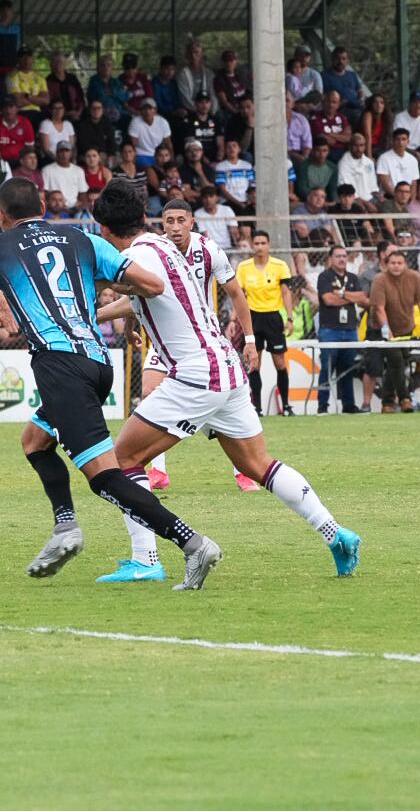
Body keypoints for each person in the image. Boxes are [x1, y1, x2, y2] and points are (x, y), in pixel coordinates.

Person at [0, 177, 221, 588]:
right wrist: (109, 292)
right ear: (42, 204)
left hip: (60, 368)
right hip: (98, 363)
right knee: (34, 442)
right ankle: (65, 527)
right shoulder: (81, 238)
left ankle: (192, 543)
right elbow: (152, 285)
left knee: (105, 476)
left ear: (1, 215)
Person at [91, 180, 359, 581]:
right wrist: (106, 314)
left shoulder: (138, 255)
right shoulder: (163, 247)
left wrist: (99, 285)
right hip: (225, 367)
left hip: (194, 373)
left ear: (105, 230)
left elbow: (149, 286)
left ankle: (145, 560)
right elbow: (149, 294)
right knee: (257, 465)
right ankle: (336, 533)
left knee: (122, 461)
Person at [115, 200, 257, 494]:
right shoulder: (154, 252)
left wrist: (250, 340)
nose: (175, 227)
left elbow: (236, 294)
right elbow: (136, 294)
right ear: (162, 224)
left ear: (192, 222)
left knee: (221, 412)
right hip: (167, 340)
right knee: (149, 393)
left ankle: (244, 471)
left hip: (203, 342)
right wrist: (130, 327)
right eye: (169, 221)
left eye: (181, 220)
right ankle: (158, 472)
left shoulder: (209, 250)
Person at [237, 230, 295, 416]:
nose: (260, 247)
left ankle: (286, 406)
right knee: (255, 363)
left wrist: (290, 317)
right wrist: (233, 319)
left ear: (269, 245)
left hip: (273, 318)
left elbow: (286, 293)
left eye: (263, 243)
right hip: (253, 318)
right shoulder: (244, 267)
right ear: (252, 245)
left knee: (280, 362)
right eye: (257, 243)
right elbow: (239, 296)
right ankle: (257, 408)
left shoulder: (280, 266)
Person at [370, 250, 420, 412]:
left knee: (396, 364)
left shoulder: (415, 277)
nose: (396, 266)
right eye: (393, 263)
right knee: (396, 360)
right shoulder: (380, 280)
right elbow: (379, 308)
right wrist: (386, 330)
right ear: (386, 265)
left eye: (399, 263)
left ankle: (387, 402)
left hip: (406, 329)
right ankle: (405, 399)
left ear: (406, 264)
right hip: (381, 329)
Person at [316, 245, 370, 414]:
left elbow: (363, 298)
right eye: (338, 256)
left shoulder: (353, 278)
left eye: (344, 256)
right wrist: (350, 297)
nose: (342, 259)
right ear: (331, 259)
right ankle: (322, 406)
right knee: (327, 367)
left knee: (348, 367)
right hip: (329, 329)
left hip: (349, 329)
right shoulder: (324, 277)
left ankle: (348, 405)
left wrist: (340, 294)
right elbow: (328, 300)